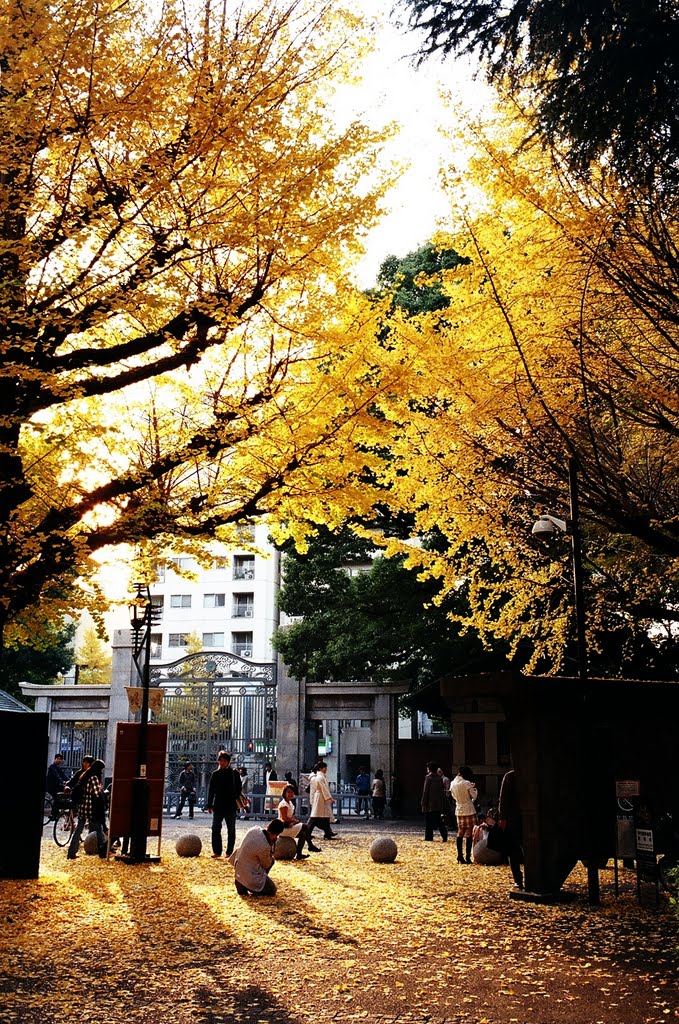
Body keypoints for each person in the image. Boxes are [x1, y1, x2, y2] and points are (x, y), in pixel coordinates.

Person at [228, 819, 286, 896]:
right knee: (272, 890)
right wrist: (271, 846)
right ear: (276, 834)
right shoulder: (265, 846)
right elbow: (266, 864)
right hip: (249, 876)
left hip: (238, 869)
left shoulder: (254, 829)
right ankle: (253, 885)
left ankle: (241, 883)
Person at [67, 758, 108, 860]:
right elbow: (96, 794)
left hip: (82, 807)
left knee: (78, 830)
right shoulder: (93, 777)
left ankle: (71, 852)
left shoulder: (85, 774)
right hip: (91, 808)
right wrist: (102, 792)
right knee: (99, 829)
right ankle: (102, 851)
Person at [207, 750, 242, 859]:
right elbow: (211, 790)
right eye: (220, 761)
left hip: (230, 805)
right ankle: (217, 851)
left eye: (224, 761)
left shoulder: (234, 773)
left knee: (231, 829)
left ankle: (229, 851)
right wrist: (209, 804)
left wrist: (234, 796)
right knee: (215, 828)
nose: (222, 763)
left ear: (228, 762)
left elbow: (239, 788)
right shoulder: (215, 774)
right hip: (218, 805)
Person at [277, 784, 321, 858]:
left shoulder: (290, 803)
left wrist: (293, 822)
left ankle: (299, 853)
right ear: (284, 793)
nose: (290, 794)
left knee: (303, 834)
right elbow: (284, 818)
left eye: (292, 792)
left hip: (289, 825)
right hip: (283, 828)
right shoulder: (283, 804)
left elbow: (290, 817)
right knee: (305, 826)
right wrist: (295, 821)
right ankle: (310, 845)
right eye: (288, 792)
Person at [498, 769, 524, 890]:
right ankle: (521, 879)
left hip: (513, 820)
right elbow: (503, 800)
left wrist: (503, 819)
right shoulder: (511, 776)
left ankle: (518, 880)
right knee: (519, 850)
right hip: (522, 820)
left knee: (513, 851)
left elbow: (503, 800)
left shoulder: (510, 776)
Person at [450, 765, 479, 864]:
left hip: (459, 809)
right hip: (469, 809)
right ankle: (467, 857)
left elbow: (453, 796)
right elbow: (473, 796)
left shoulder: (452, 783)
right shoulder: (466, 783)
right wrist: (474, 788)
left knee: (460, 832)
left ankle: (459, 856)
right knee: (468, 833)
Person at [307, 761, 337, 840]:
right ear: (321, 768)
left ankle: (327, 832)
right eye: (325, 768)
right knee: (316, 816)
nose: (326, 769)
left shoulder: (320, 777)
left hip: (321, 797)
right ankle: (308, 832)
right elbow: (324, 789)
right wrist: (329, 798)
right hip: (320, 797)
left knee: (323, 815)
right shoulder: (320, 777)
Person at [421, 761, 448, 842]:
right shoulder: (439, 778)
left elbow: (425, 791)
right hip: (437, 804)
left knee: (428, 822)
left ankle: (429, 837)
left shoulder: (428, 778)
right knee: (439, 821)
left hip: (429, 804)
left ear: (429, 769)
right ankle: (444, 835)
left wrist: (423, 802)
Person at [46, 752, 70, 819]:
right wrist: (62, 782)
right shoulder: (52, 767)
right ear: (55, 759)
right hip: (50, 787)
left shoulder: (58, 768)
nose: (59, 760)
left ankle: (58, 810)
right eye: (57, 759)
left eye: (60, 759)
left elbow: (63, 775)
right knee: (57, 797)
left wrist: (70, 781)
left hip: (56, 786)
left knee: (63, 794)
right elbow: (57, 776)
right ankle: (53, 814)